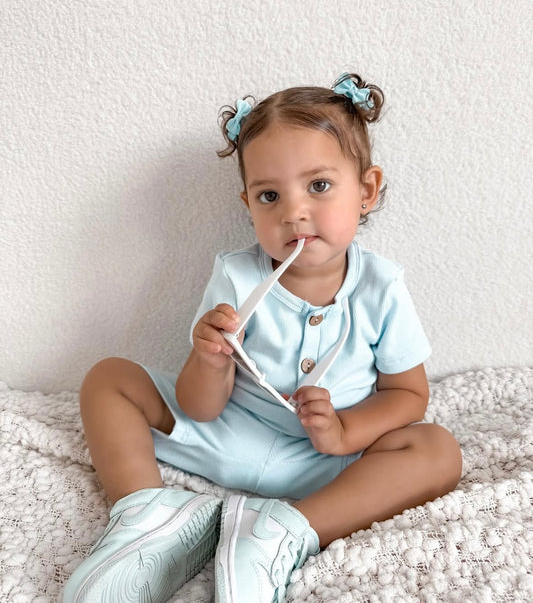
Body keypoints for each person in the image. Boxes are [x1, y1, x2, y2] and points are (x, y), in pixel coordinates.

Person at [63, 73, 462, 603]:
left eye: (319, 186)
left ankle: (281, 535)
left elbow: (410, 395)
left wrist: (344, 433)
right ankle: (147, 517)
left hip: (327, 461)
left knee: (438, 450)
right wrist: (209, 362)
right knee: (109, 378)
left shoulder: (381, 288)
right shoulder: (237, 277)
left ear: (365, 191)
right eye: (270, 195)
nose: (293, 212)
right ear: (248, 205)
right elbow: (198, 409)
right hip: (229, 434)